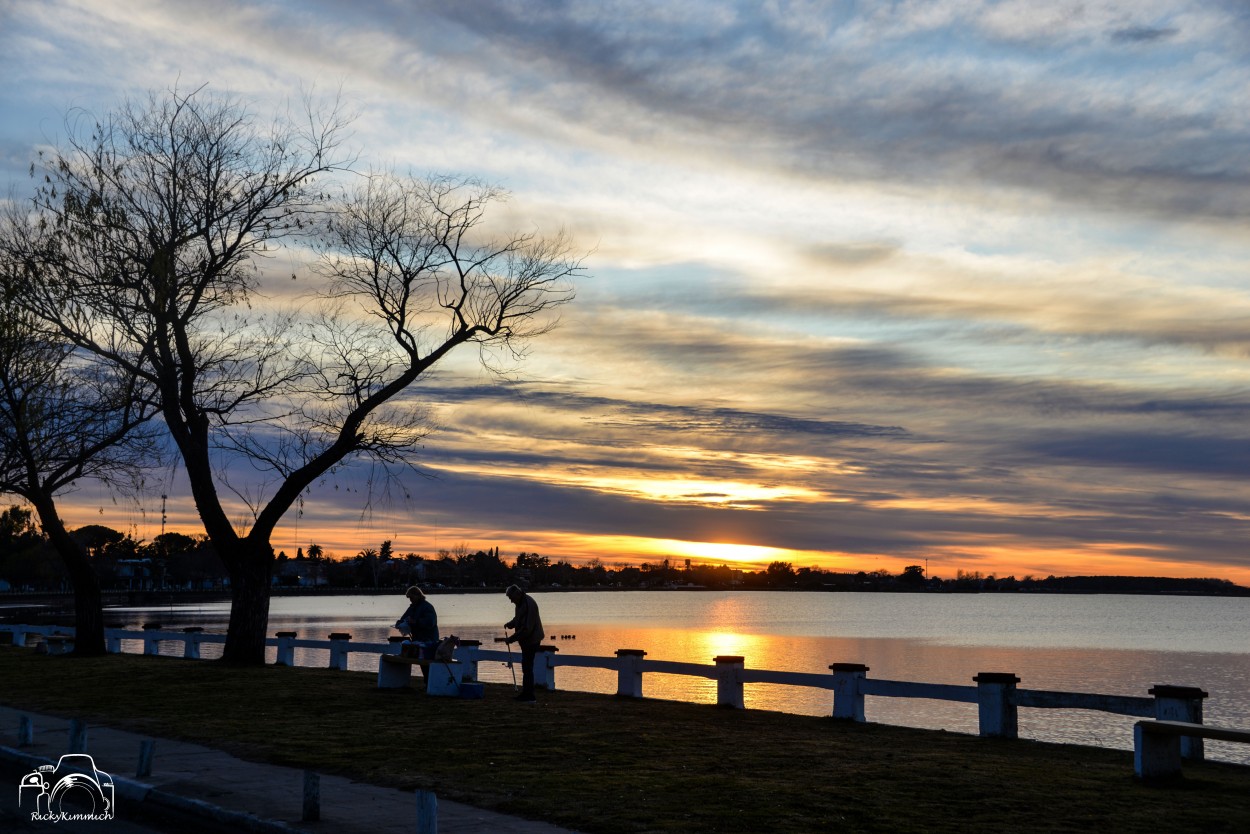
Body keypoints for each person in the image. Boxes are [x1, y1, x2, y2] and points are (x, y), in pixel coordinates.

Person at [503, 584, 544, 703]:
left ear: (517, 594)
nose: (511, 601)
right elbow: (519, 618)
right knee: (526, 667)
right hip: (527, 640)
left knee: (527, 667)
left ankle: (529, 696)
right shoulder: (520, 603)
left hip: (532, 640)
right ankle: (526, 693)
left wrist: (511, 639)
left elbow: (527, 628)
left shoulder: (528, 604)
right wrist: (511, 624)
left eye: (511, 598)